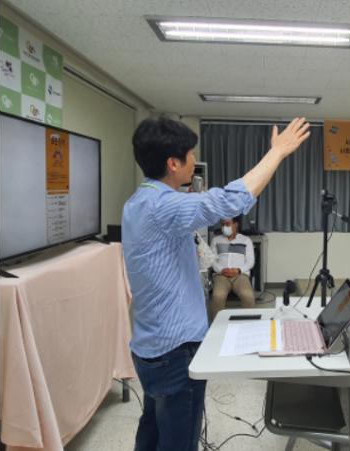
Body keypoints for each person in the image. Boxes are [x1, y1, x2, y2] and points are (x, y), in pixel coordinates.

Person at [122, 116, 310, 451]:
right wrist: (277, 153)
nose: (194, 160)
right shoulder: (164, 206)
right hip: (174, 351)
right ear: (173, 163)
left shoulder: (138, 202)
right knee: (178, 441)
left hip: (151, 344)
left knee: (152, 428)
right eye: (190, 155)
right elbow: (230, 201)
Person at [210, 217, 255, 320]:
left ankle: (249, 323)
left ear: (235, 224)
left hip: (240, 275)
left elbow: (250, 262)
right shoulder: (216, 240)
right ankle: (216, 325)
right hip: (221, 275)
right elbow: (212, 260)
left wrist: (238, 270)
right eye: (222, 225)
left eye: (227, 224)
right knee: (218, 296)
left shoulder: (246, 240)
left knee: (248, 296)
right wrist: (221, 270)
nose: (224, 227)